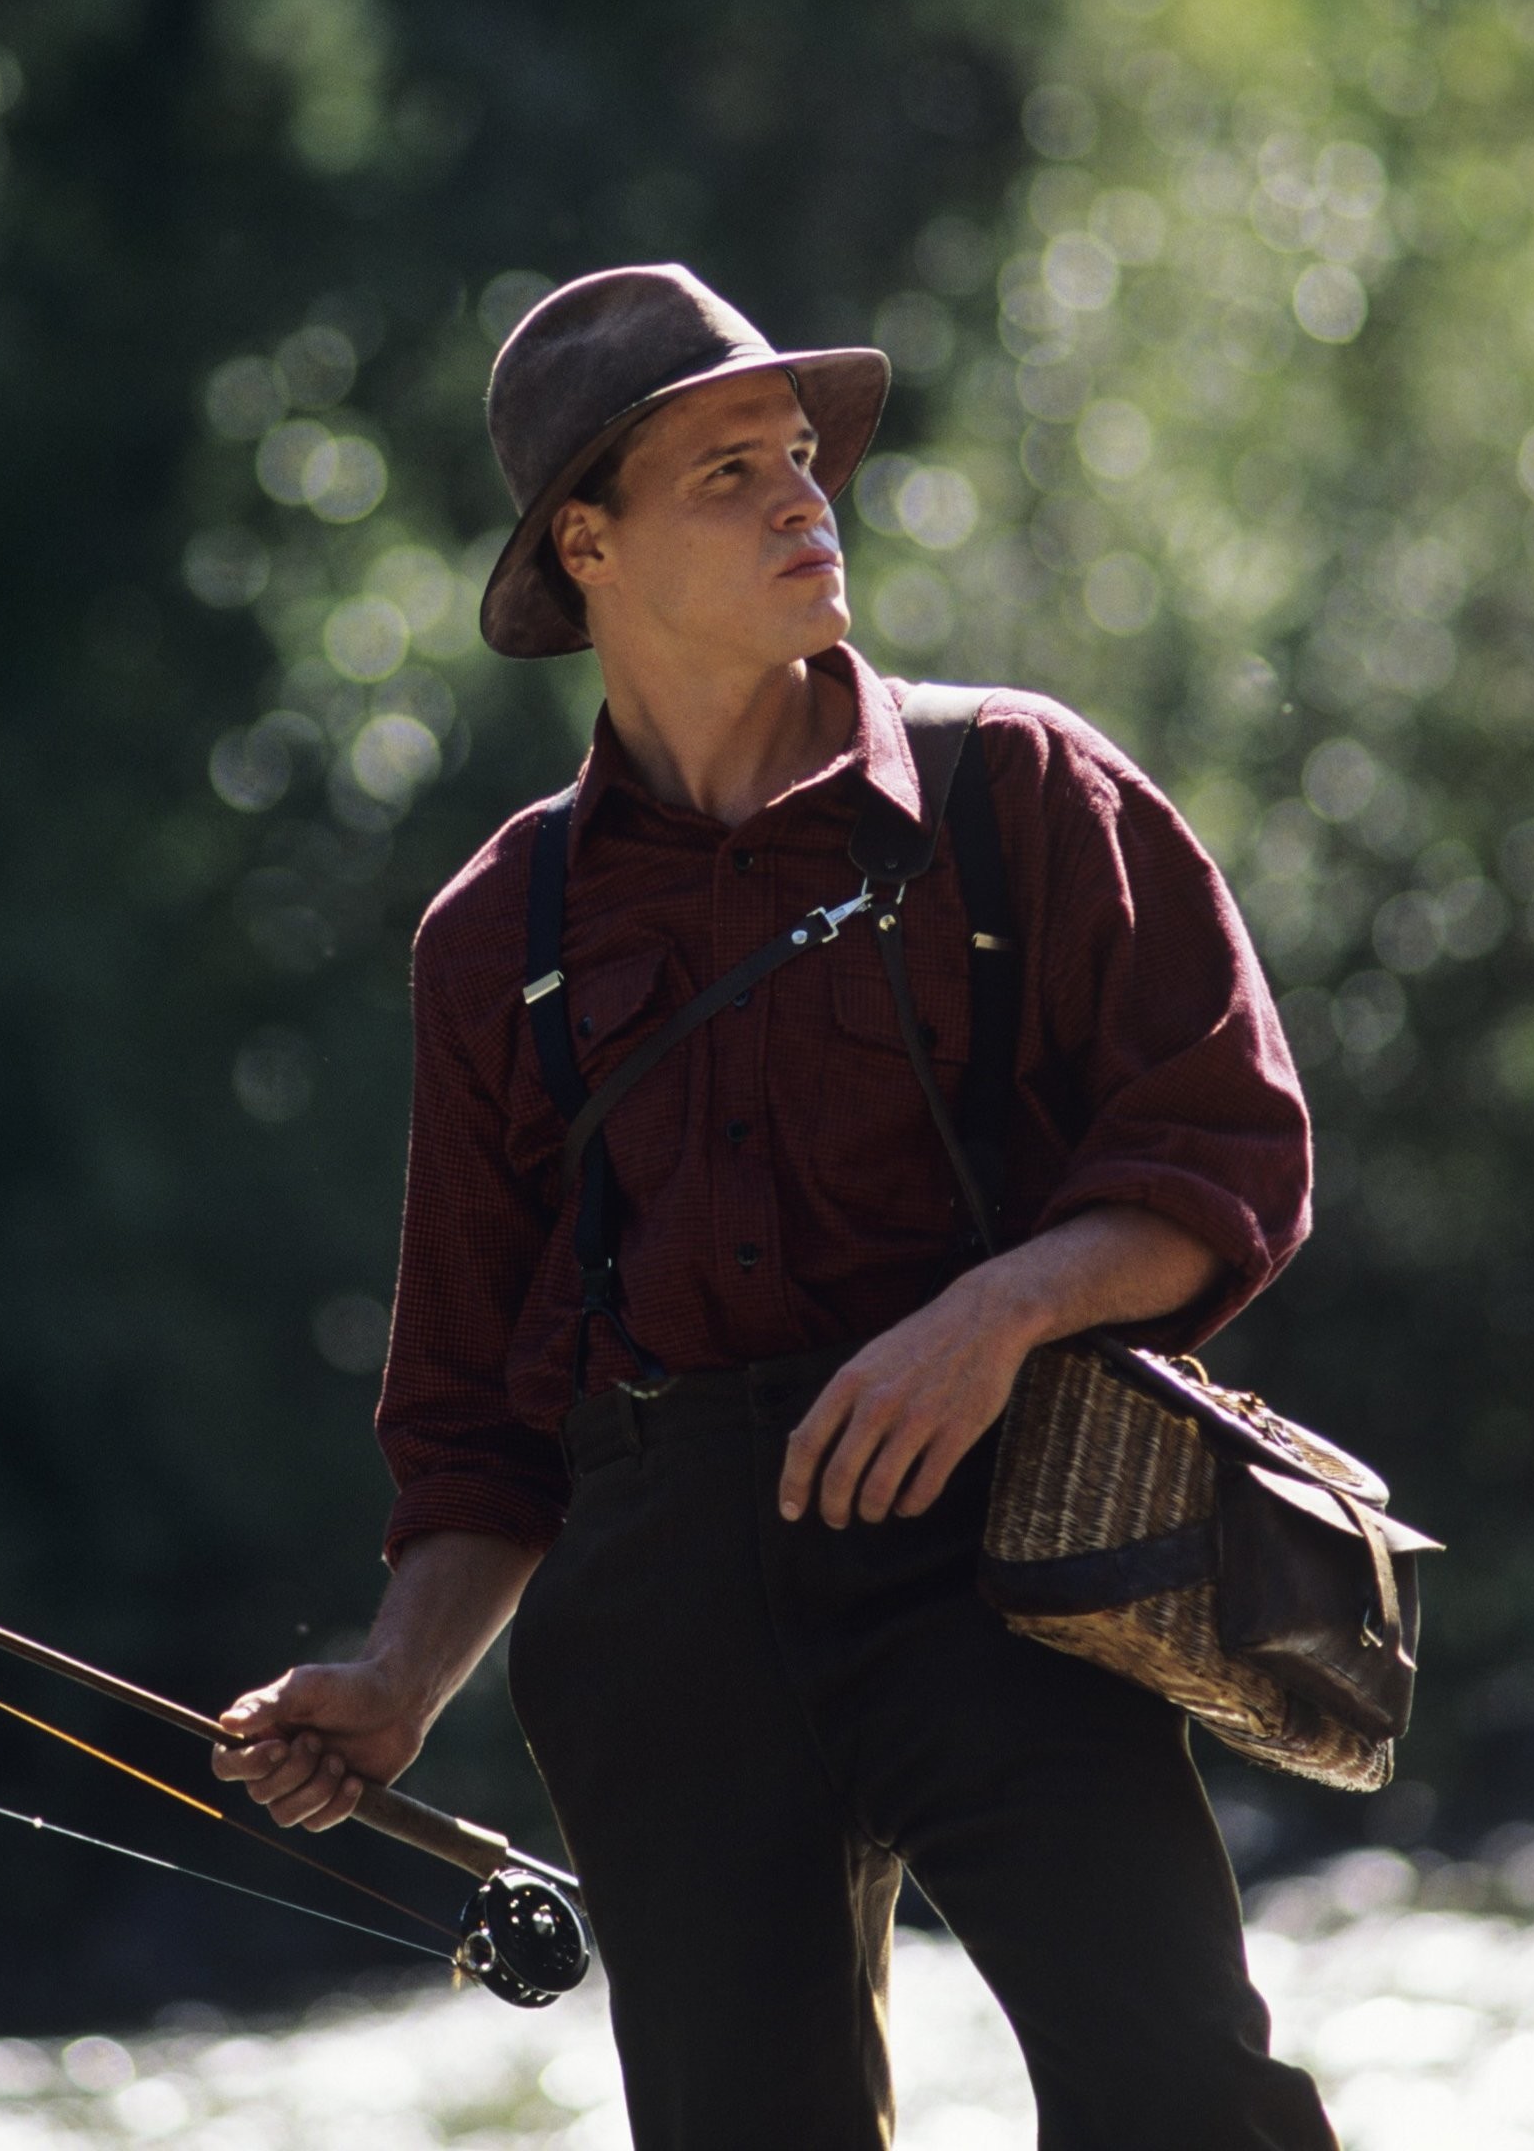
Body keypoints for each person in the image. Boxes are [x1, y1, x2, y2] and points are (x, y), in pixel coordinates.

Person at [214, 263, 1334, 2151]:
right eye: (731, 471)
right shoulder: (497, 937)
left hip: (1008, 1562)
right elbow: (486, 1424)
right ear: (588, 544)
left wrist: (994, 1316)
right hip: (664, 1619)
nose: (806, 499)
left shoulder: (1023, 791)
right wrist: (397, 1681)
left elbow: (1228, 1152)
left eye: (803, 457)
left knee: (1185, 2102)